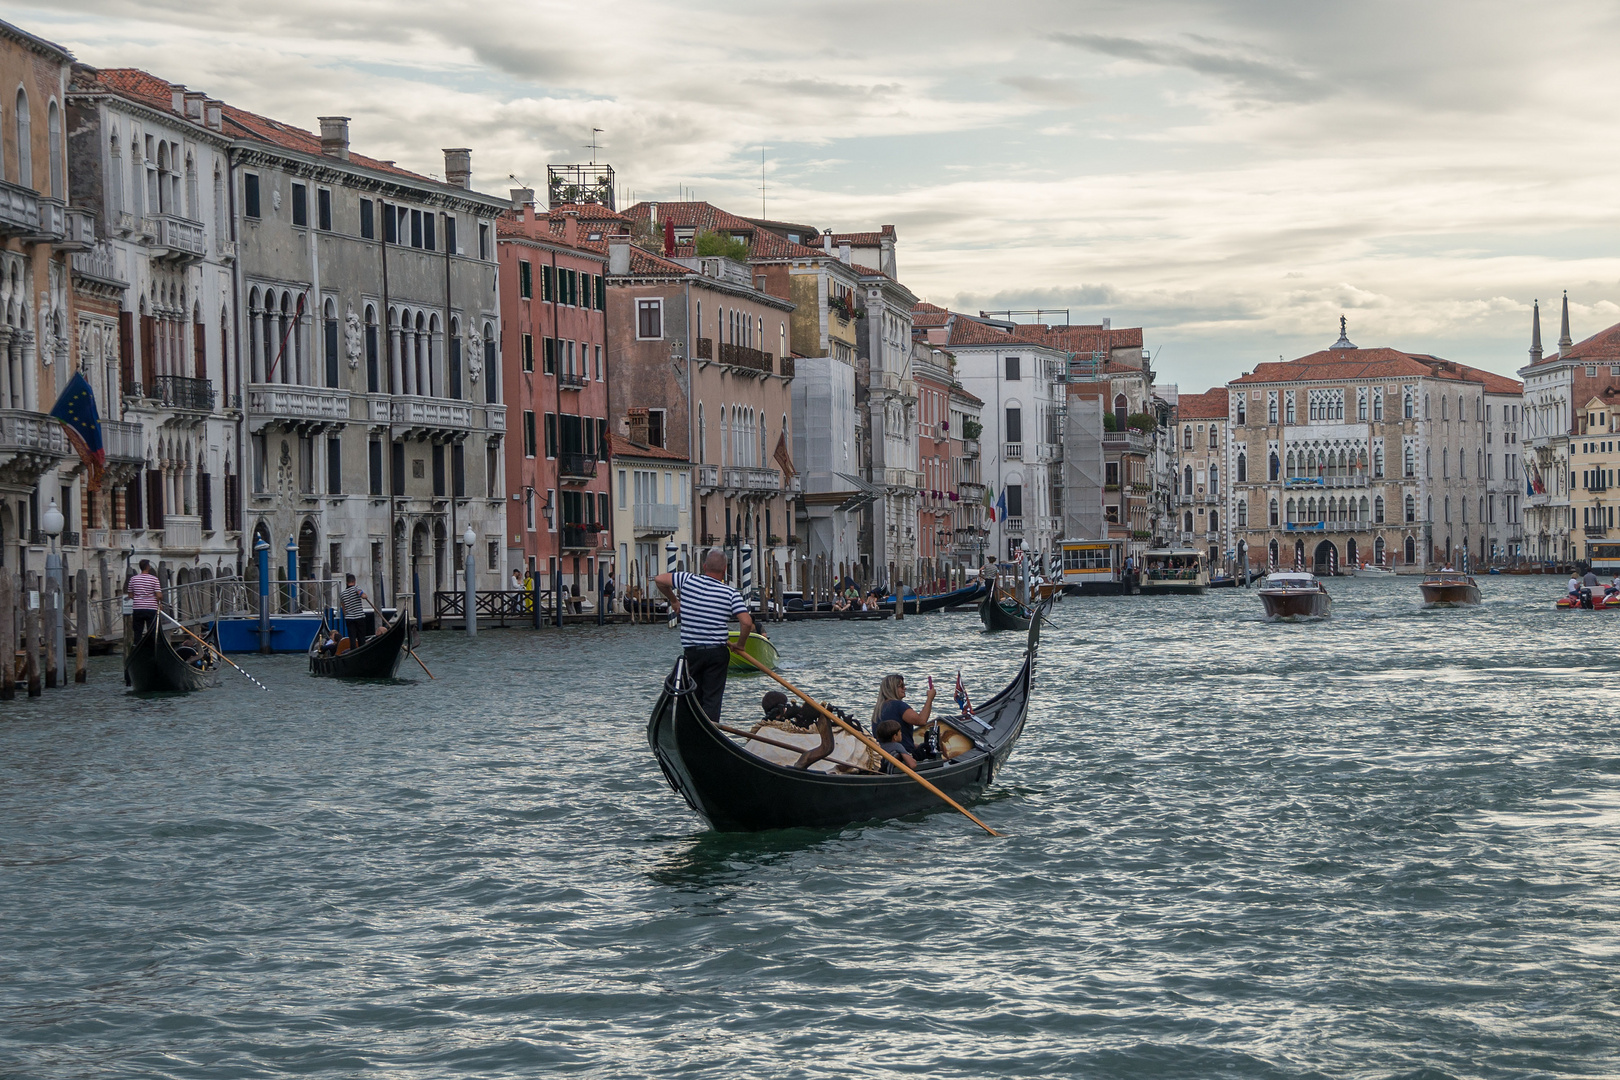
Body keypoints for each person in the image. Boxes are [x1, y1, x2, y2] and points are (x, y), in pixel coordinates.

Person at [655, 550, 754, 724]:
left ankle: (691, 728)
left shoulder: (687, 579)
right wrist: (740, 645)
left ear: (704, 566)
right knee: (712, 700)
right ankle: (709, 731)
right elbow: (746, 623)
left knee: (692, 696)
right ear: (725, 570)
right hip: (717, 653)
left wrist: (674, 600)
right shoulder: (730, 593)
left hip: (692, 653)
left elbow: (659, 580)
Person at [872, 672, 937, 760]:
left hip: (884, 755)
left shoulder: (878, 709)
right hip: (902, 756)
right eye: (901, 686)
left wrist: (914, 745)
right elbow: (921, 720)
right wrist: (930, 698)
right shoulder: (898, 706)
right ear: (893, 688)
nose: (904, 688)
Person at [126, 560, 162, 642]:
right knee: (152, 631)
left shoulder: (133, 579)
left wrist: (139, 598)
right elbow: (159, 595)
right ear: (148, 567)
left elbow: (130, 595)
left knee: (137, 631)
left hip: (138, 608)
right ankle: (151, 648)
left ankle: (137, 646)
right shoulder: (154, 579)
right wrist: (159, 602)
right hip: (151, 609)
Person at [340, 573, 370, 643]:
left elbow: (343, 608)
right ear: (354, 581)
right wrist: (364, 595)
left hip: (349, 618)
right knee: (361, 638)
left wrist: (346, 616)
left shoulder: (342, 594)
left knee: (352, 638)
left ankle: (353, 649)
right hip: (359, 617)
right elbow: (362, 595)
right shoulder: (356, 588)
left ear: (347, 582)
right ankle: (362, 650)